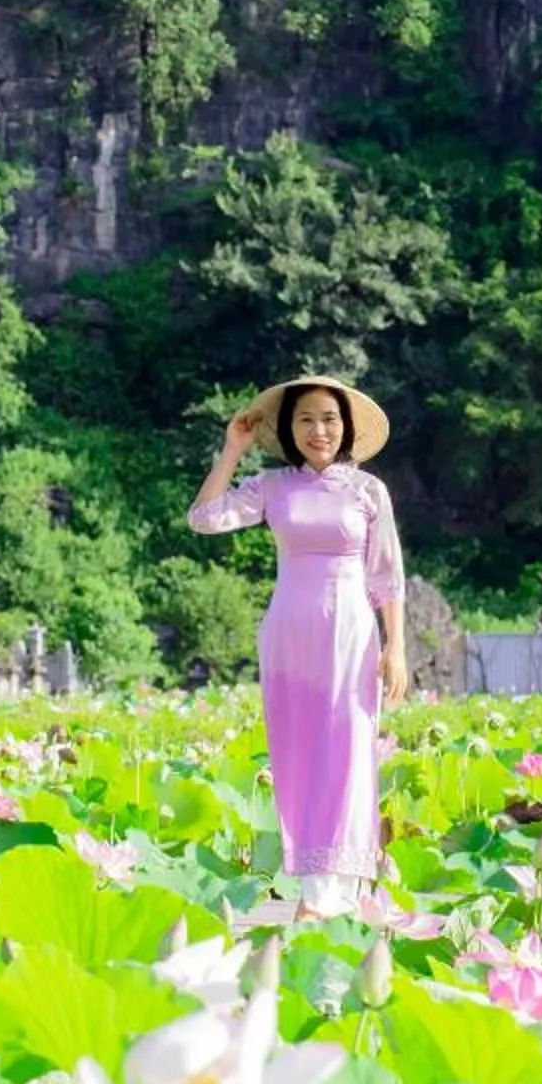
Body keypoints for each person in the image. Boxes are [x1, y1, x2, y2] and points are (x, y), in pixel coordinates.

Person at [186, 374, 410, 919]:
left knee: (351, 751)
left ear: (347, 427)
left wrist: (396, 645)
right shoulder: (273, 487)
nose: (319, 430)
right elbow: (204, 518)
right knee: (298, 755)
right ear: (289, 428)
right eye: (306, 419)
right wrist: (232, 449)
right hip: (290, 633)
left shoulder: (367, 491)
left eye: (330, 419)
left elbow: (388, 576)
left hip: (353, 632)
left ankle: (345, 891)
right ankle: (314, 892)